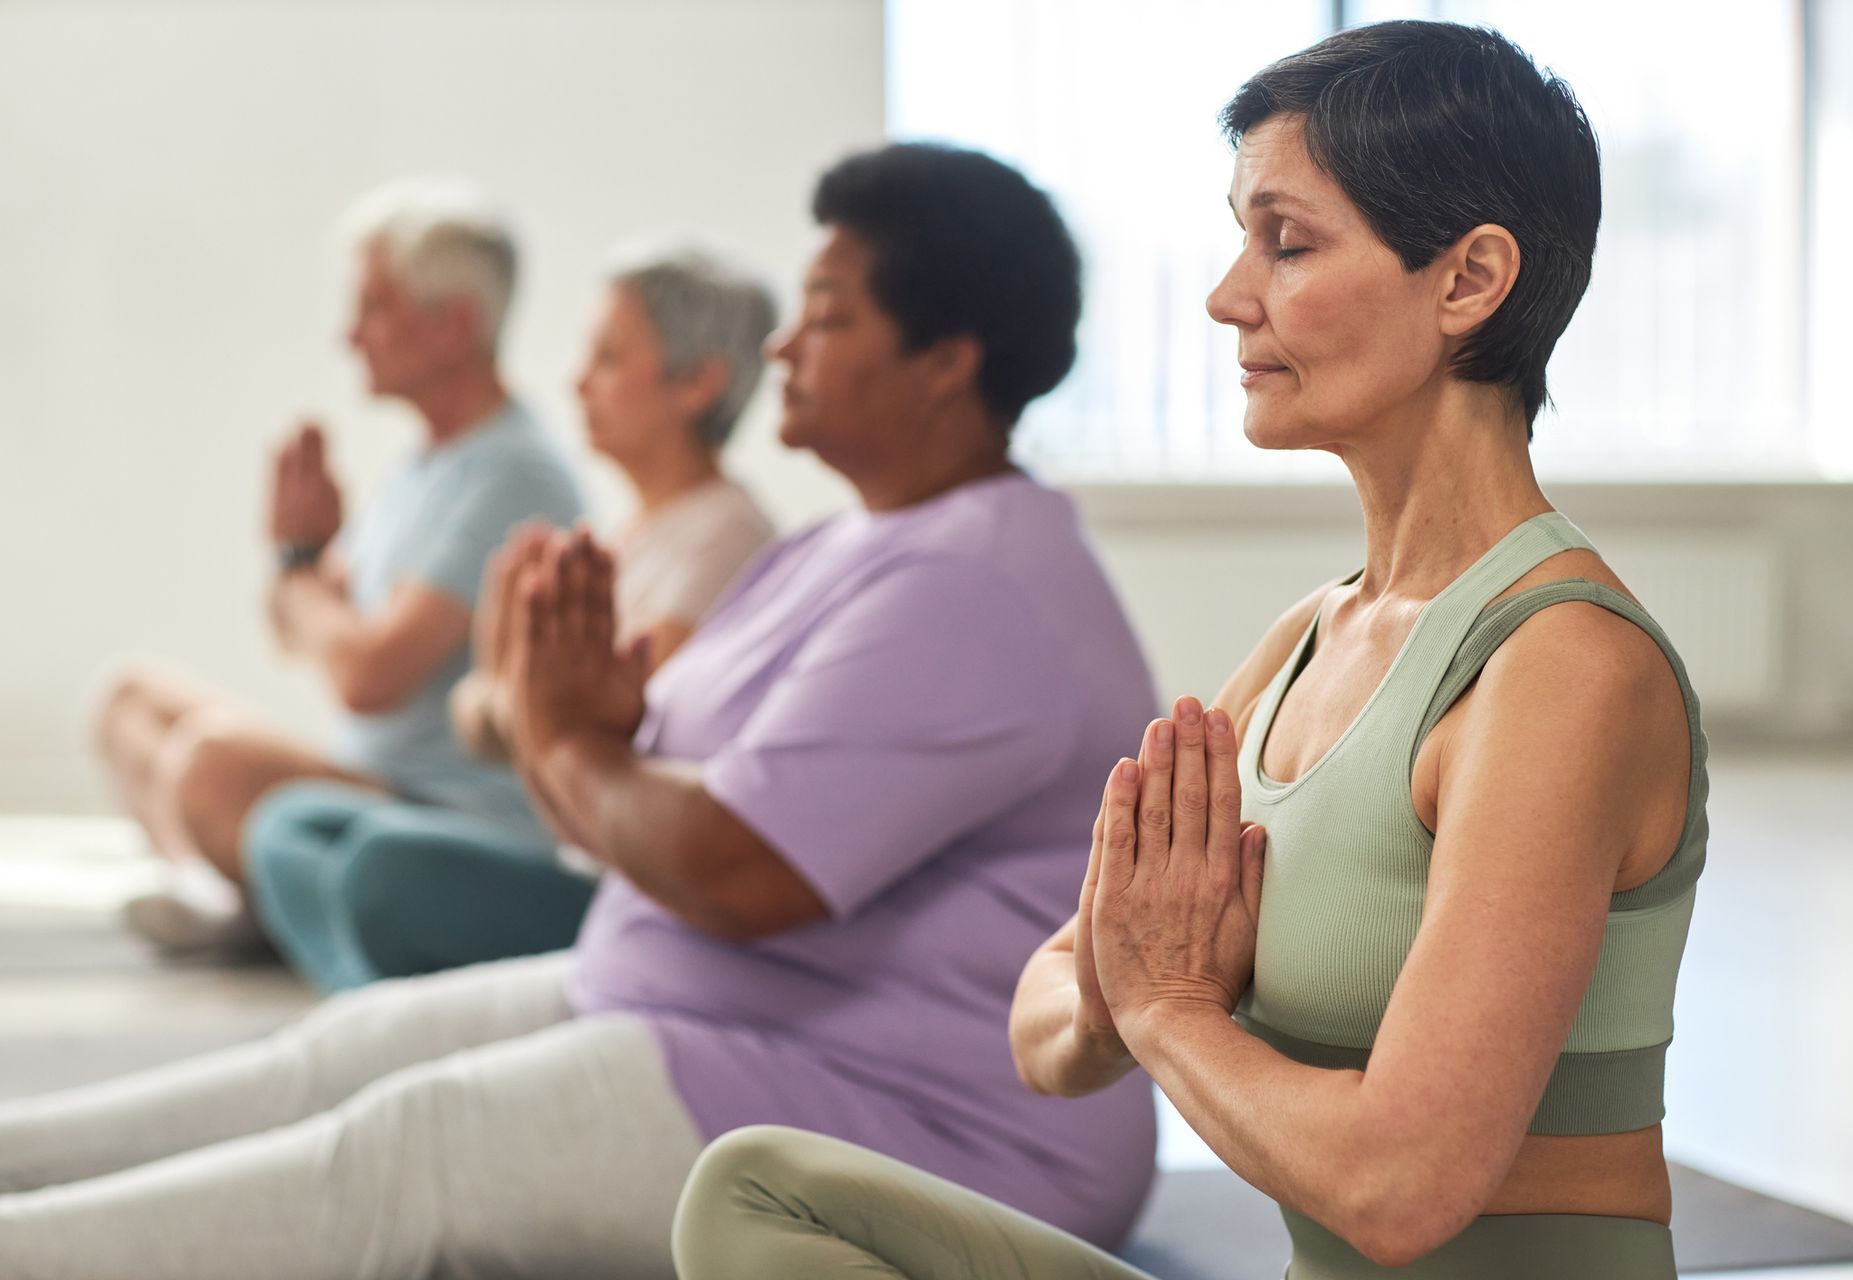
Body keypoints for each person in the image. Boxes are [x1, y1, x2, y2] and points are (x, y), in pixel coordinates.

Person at [0, 143, 1159, 1280]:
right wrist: (591, 726)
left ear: (946, 360)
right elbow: (659, 780)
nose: (781, 346)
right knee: (339, 1056)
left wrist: (561, 734)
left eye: (829, 314)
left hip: (934, 1126)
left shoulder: (972, 583)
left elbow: (733, 870)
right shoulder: (844, 545)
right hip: (716, 1005)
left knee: (409, 1152)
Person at [671, 21, 1707, 1280]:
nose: (1229, 294)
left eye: (1289, 241)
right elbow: (1046, 1022)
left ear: (1469, 279)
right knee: (761, 1188)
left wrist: (1167, 1011)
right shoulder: (1305, 642)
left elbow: (1399, 1187)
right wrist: (1127, 989)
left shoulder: (1561, 667)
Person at [243, 243, 779, 990]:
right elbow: (500, 716)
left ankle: (376, 1006)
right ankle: (374, 1003)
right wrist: (506, 673)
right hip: (559, 847)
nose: (576, 381)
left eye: (608, 358)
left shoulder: (724, 539)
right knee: (287, 825)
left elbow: (614, 733)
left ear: (696, 385)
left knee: (384, 867)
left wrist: (512, 686)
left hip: (618, 883)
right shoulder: (623, 539)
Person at [92, 177, 584, 951]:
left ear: (454, 324)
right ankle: (226, 897)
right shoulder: (423, 466)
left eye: (375, 308)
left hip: (439, 818)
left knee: (211, 760)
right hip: (363, 778)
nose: (351, 336)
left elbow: (367, 679)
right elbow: (298, 632)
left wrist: (300, 578)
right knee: (129, 700)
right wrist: (300, 557)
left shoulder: (515, 474)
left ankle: (238, 905)